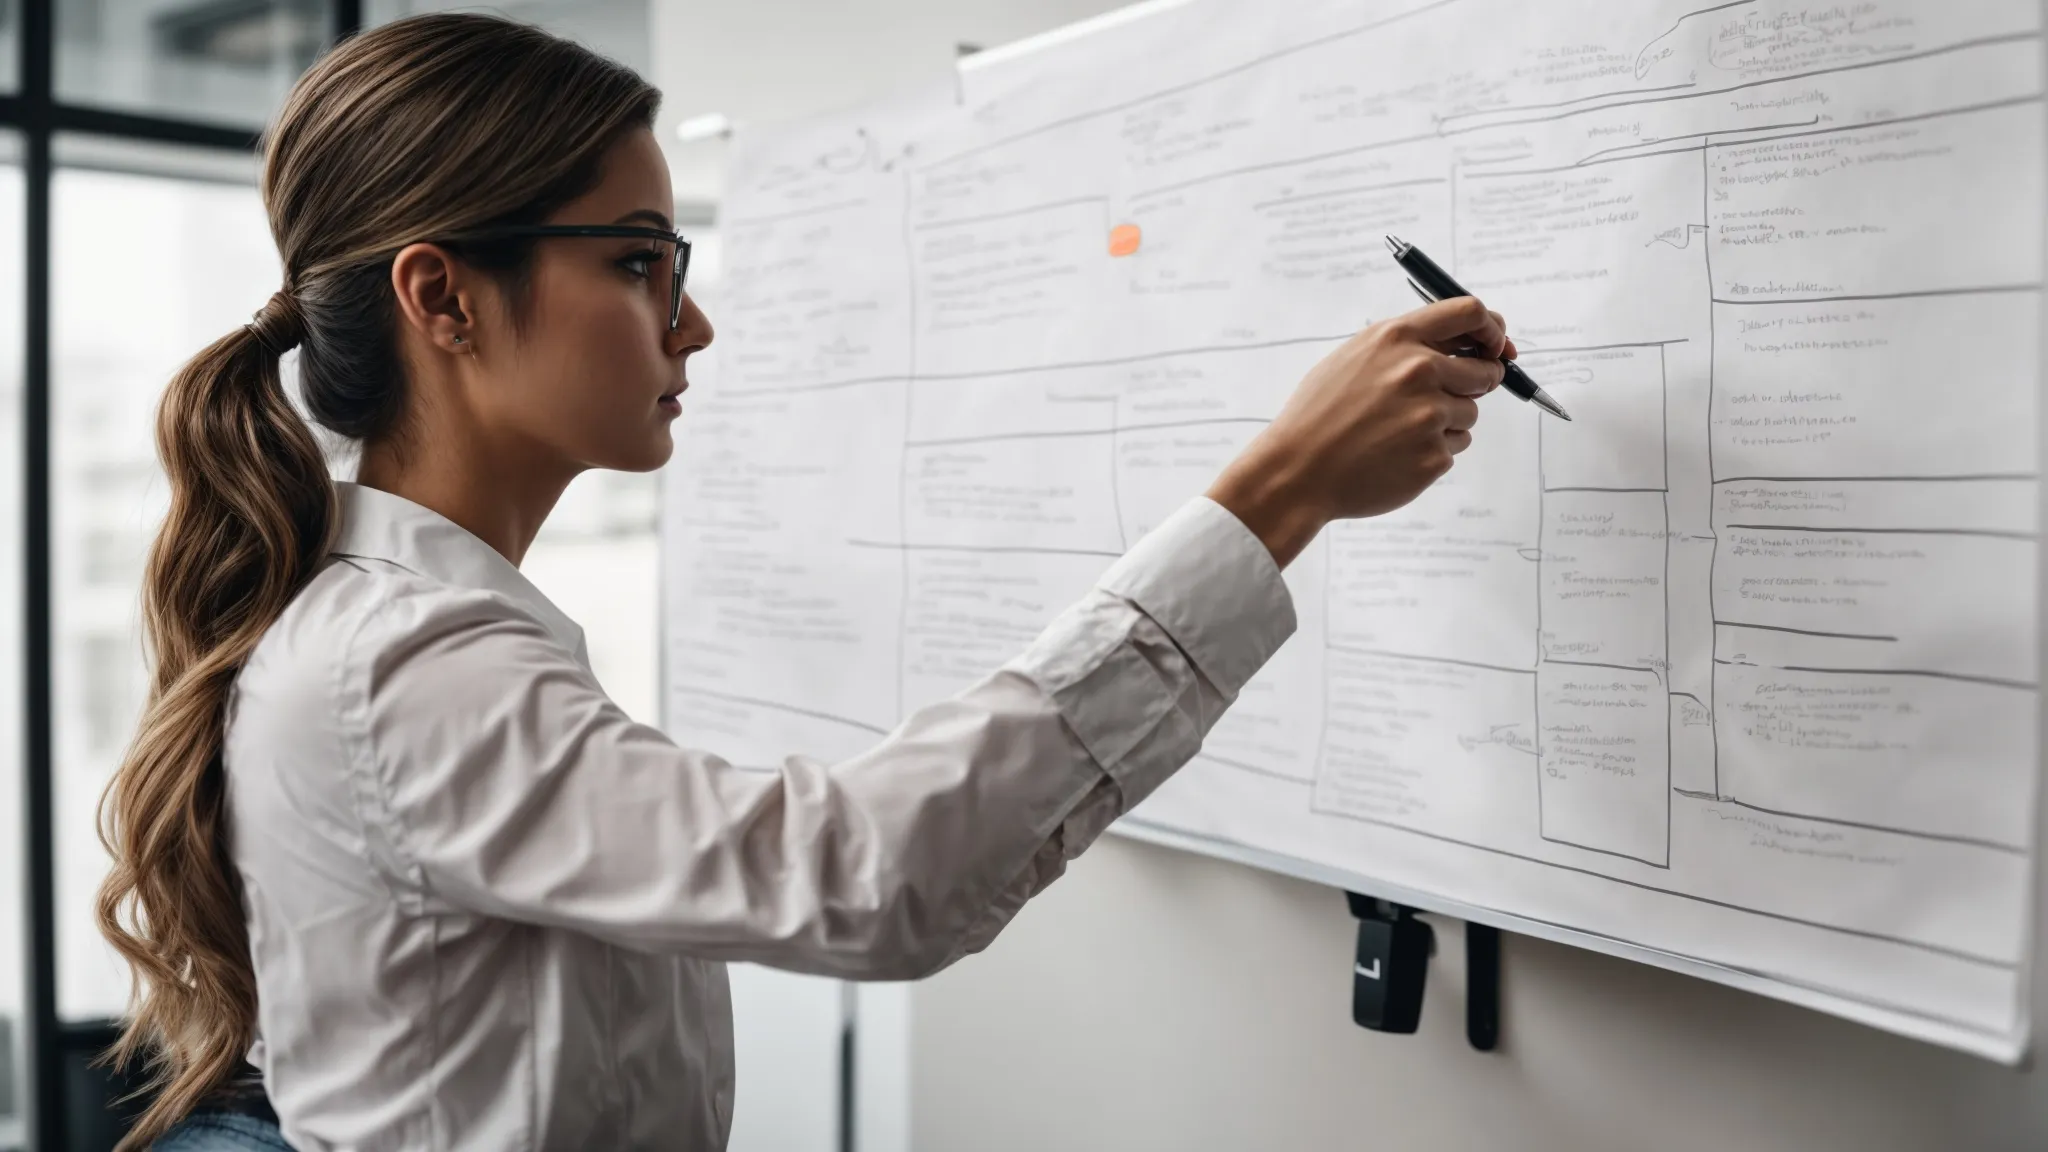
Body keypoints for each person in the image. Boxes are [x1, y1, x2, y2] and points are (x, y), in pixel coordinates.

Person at [96, 12, 1513, 1152]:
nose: (691, 321)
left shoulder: (395, 625)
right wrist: (1282, 491)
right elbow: (868, 875)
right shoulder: (402, 665)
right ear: (442, 297)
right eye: (641, 261)